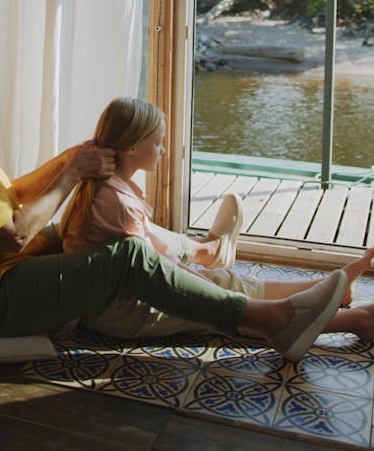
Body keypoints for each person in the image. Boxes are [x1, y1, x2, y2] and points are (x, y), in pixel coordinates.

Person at [0, 27, 357, 364]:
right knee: (125, 256)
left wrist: (70, 161)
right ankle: (267, 319)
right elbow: (10, 235)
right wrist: (71, 177)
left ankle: (213, 263)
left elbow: (8, 194)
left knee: (77, 232)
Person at [59, 96, 374, 342]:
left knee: (220, 282)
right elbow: (148, 271)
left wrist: (191, 274)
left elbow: (151, 256)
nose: (164, 149)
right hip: (122, 312)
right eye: (158, 142)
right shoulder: (114, 202)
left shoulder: (114, 188)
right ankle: (355, 321)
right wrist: (194, 282)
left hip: (122, 299)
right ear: (131, 147)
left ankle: (327, 287)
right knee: (226, 308)